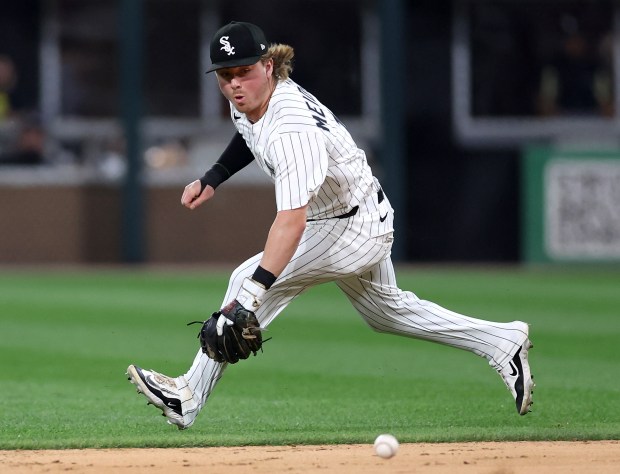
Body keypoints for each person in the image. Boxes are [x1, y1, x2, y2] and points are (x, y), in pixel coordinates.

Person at [126, 21, 535, 430]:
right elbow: (247, 133)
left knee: (243, 282)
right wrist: (213, 176)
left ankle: (187, 395)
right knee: (386, 314)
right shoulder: (249, 97)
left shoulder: (291, 130)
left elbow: (291, 222)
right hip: (352, 214)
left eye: (244, 71)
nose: (235, 84)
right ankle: (501, 341)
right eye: (226, 75)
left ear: (268, 66)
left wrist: (251, 297)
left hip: (353, 227)